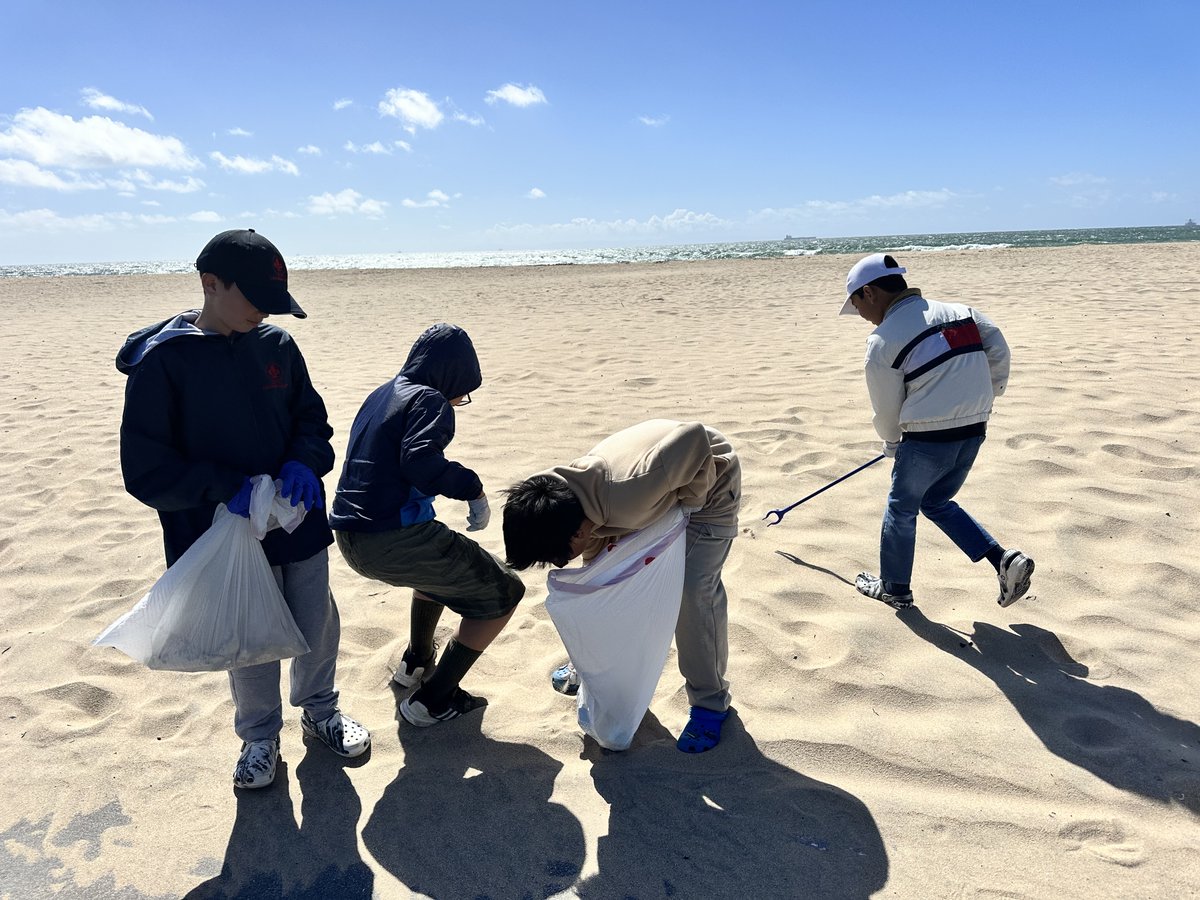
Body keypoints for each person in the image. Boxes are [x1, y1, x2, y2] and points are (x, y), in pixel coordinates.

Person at [117, 228, 370, 790]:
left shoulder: (277, 346)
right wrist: (223, 487)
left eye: (273, 303)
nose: (264, 313)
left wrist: (304, 460)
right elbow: (146, 470)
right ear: (211, 284)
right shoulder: (164, 363)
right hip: (222, 529)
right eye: (255, 299)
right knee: (251, 636)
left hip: (296, 519)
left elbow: (312, 420)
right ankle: (260, 737)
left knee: (315, 621)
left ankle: (321, 711)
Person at [502, 419, 740, 753]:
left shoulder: (630, 493)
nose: (559, 565)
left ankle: (710, 704)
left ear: (580, 533)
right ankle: (589, 667)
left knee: (693, 594)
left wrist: (689, 503)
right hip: (646, 491)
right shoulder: (553, 503)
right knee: (599, 585)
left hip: (709, 484)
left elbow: (694, 438)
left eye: (558, 556)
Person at [330, 323, 525, 727]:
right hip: (392, 537)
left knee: (438, 572)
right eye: (461, 392)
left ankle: (416, 661)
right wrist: (473, 490)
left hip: (349, 536)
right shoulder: (430, 399)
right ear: (450, 376)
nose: (458, 401)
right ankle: (432, 701)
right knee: (505, 591)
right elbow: (419, 461)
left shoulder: (381, 394)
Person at [840, 252, 1034, 610]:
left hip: (927, 439)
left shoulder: (881, 341)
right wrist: (986, 394)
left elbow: (887, 409)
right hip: (974, 428)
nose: (861, 315)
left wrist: (892, 442)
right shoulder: (962, 312)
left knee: (901, 509)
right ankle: (1003, 560)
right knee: (935, 502)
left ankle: (894, 589)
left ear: (869, 292)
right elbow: (998, 349)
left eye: (857, 304)